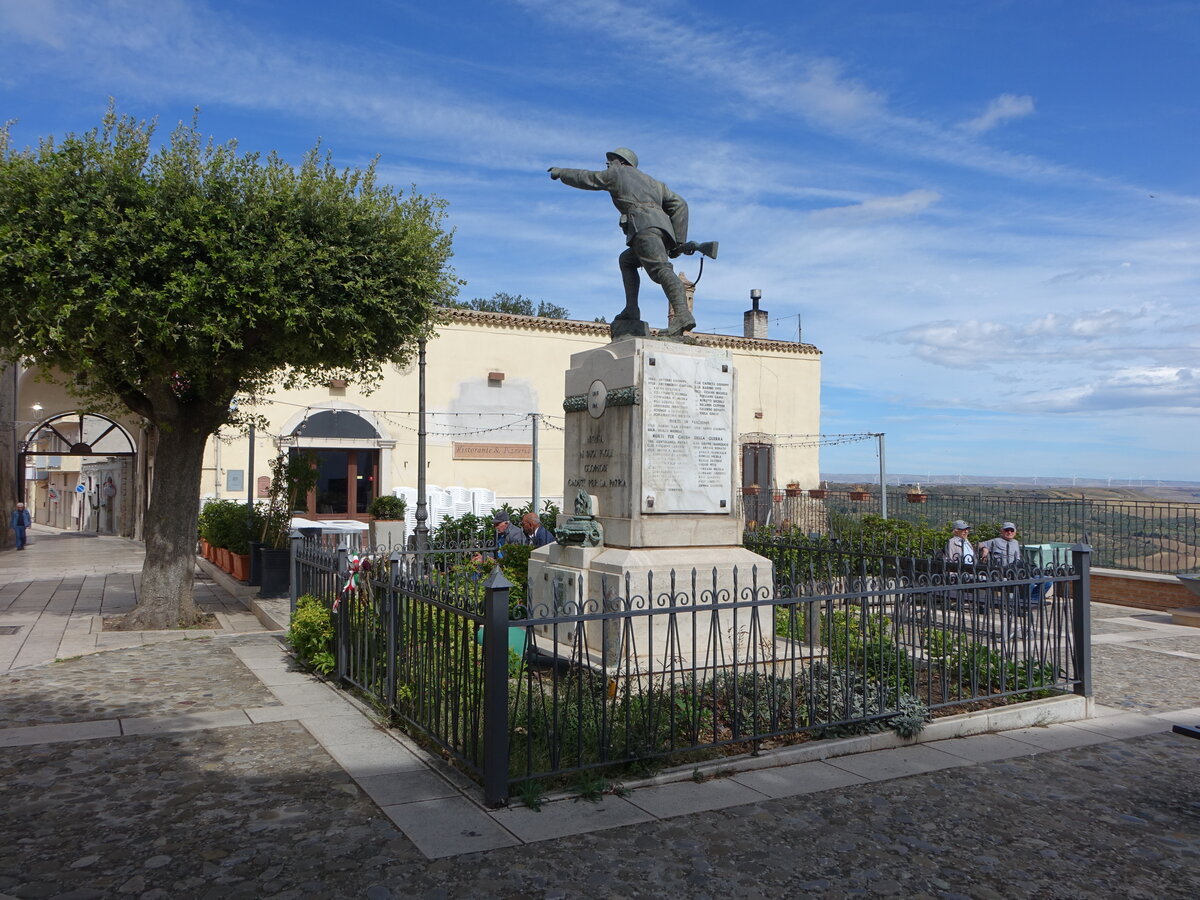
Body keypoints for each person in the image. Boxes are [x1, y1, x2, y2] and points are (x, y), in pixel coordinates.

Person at [548, 148, 695, 337]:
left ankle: (682, 314)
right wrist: (677, 240)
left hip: (643, 226)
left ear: (622, 162)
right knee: (627, 260)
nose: (608, 164)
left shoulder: (619, 173)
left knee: (661, 269)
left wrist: (561, 173)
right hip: (661, 229)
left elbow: (587, 178)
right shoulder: (655, 183)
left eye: (611, 160)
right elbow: (680, 205)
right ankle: (632, 309)